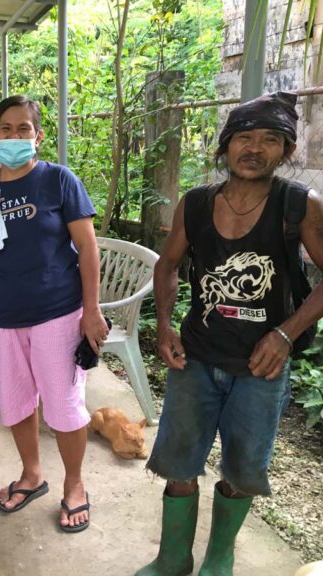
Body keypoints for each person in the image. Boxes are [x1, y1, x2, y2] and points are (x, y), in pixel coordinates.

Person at [136, 91, 323, 576]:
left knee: (242, 472)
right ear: (226, 146)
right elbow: (168, 265)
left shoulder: (299, 206)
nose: (254, 148)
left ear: (286, 149)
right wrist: (164, 326)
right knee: (178, 465)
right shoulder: (196, 204)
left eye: (270, 139)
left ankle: (219, 559)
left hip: (261, 369)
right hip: (195, 358)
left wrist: (285, 334)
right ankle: (172, 558)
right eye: (244, 137)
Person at [0, 96, 107, 532]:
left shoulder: (58, 180)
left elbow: (87, 246)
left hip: (57, 312)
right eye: (5, 128)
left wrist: (91, 309)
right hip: (1, 316)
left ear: (38, 136)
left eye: (24, 128)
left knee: (64, 404)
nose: (14, 136)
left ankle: (74, 484)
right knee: (17, 400)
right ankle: (32, 474)